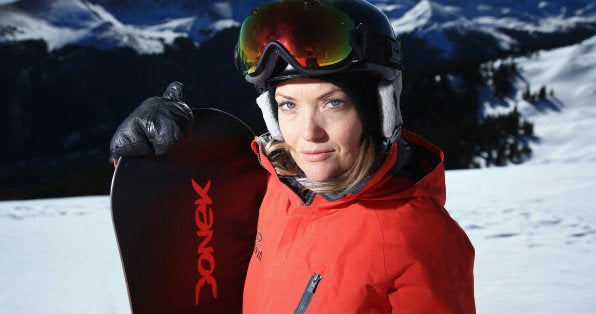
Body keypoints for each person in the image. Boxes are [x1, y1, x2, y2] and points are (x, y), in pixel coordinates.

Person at [110, 0, 475, 313]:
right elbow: (190, 223)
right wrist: (151, 159)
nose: (308, 134)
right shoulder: (275, 186)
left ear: (379, 111)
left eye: (334, 103)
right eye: (288, 105)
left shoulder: (420, 239)